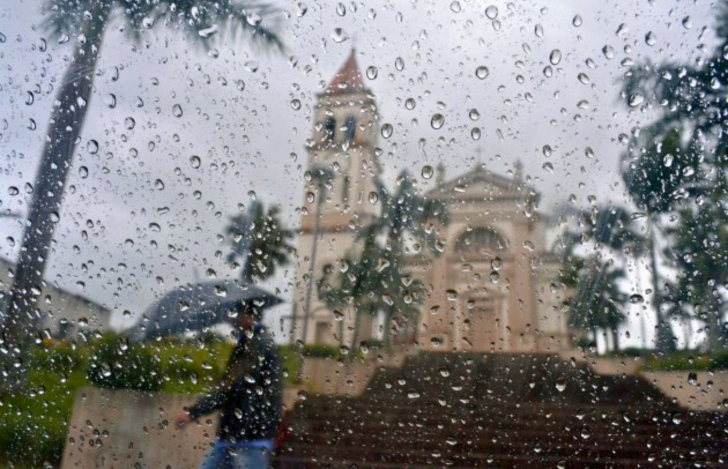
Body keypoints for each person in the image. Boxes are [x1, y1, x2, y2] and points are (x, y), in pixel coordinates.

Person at [175, 301, 282, 469]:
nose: (231, 320)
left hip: (248, 437)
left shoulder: (256, 345)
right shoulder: (248, 343)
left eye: (236, 315)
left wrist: (194, 411)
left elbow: (232, 388)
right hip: (234, 435)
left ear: (249, 316)